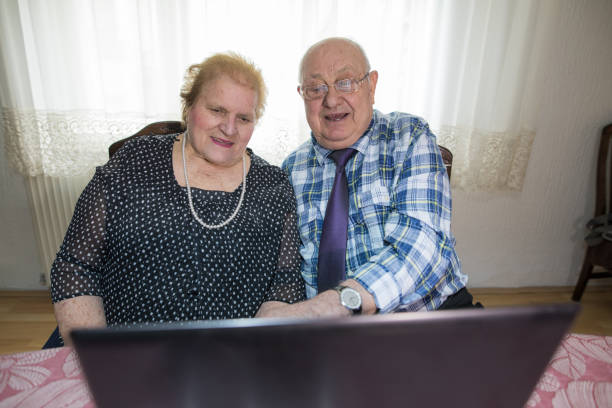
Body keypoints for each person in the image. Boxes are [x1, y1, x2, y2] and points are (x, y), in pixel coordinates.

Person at [50, 53, 305, 346]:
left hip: (230, 359)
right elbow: (77, 265)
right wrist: (99, 356)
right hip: (126, 354)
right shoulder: (134, 162)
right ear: (189, 107)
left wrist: (250, 353)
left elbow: (285, 282)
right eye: (217, 110)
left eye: (244, 118)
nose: (230, 128)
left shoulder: (273, 184)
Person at [257, 37, 477, 318]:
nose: (332, 99)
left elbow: (421, 247)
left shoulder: (409, 137)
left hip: (427, 317)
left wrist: (331, 305)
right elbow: (287, 267)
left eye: (346, 82)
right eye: (316, 88)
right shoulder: (290, 169)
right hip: (329, 335)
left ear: (371, 85)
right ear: (302, 95)